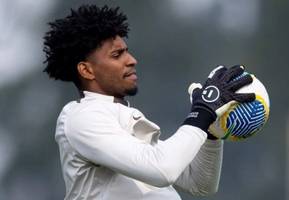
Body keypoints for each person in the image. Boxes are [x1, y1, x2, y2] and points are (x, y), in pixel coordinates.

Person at [43, 4, 255, 200]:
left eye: (127, 51)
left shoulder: (117, 118)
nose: (131, 60)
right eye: (117, 55)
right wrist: (202, 112)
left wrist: (210, 131)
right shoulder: (83, 117)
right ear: (87, 70)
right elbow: (163, 169)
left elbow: (200, 183)